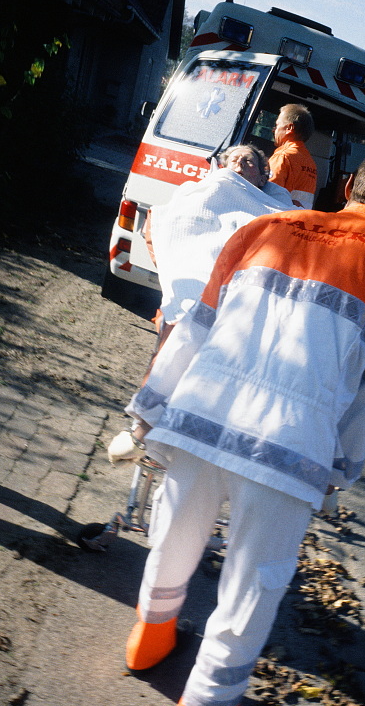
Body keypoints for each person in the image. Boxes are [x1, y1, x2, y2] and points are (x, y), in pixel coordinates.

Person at [123, 147, 365, 706]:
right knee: (247, 599)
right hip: (290, 447)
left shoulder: (262, 228)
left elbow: (197, 326)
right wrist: (340, 469)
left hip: (201, 413)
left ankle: (148, 644)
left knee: (172, 539)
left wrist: (151, 402)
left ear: (348, 187)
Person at [107, 144, 294, 465]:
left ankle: (154, 434)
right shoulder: (200, 191)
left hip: (241, 291)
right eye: (233, 158)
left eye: (248, 161)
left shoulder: (277, 208)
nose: (239, 163)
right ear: (221, 167)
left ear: (263, 177)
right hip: (197, 281)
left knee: (211, 332)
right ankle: (147, 431)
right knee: (183, 321)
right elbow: (167, 222)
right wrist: (177, 274)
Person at [268, 103, 318, 209]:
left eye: (277, 125)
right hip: (300, 216)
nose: (274, 130)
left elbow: (268, 194)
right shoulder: (310, 162)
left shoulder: (283, 156)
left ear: (289, 128)